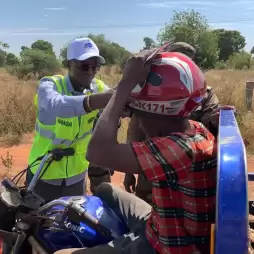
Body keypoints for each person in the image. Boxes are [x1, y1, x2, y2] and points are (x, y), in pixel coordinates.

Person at [55, 50, 218, 253]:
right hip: (160, 221)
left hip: (166, 246)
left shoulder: (178, 149)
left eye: (137, 112)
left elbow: (96, 152)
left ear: (155, 110)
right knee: (106, 189)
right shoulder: (194, 130)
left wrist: (125, 85)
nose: (137, 121)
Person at [124, 42, 220, 203]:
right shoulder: (149, 90)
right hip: (150, 166)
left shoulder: (204, 94)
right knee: (146, 208)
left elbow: (212, 127)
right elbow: (135, 130)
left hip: (188, 172)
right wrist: (128, 172)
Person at [26, 37, 113, 202]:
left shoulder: (98, 88)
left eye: (95, 67)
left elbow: (118, 97)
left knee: (72, 223)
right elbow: (55, 105)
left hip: (77, 175)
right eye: (84, 66)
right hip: (44, 173)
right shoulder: (49, 85)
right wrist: (92, 101)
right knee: (39, 223)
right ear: (68, 65)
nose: (90, 72)